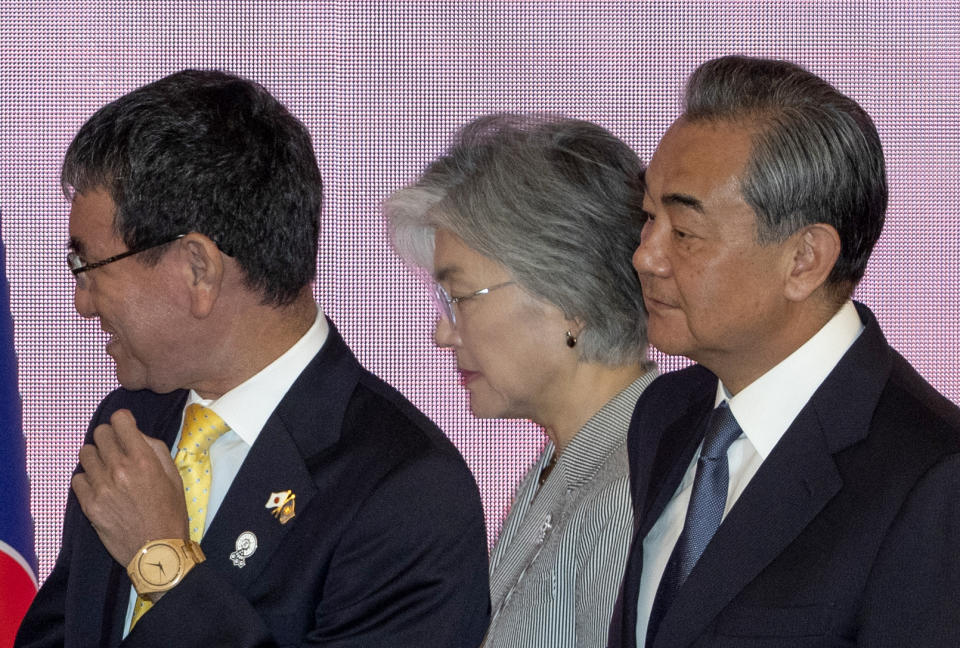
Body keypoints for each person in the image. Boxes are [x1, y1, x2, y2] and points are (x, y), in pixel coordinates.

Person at [15, 69, 490, 648]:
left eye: (89, 268)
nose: (80, 303)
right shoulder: (132, 423)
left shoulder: (406, 492)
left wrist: (161, 560)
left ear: (198, 269)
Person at [607, 55, 960, 648]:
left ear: (805, 260)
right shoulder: (665, 413)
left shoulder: (933, 480)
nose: (646, 256)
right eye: (648, 218)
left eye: (684, 232)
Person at [386, 113, 657, 648]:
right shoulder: (569, 463)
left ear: (572, 298)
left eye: (459, 298)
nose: (443, 334)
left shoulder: (631, 493)